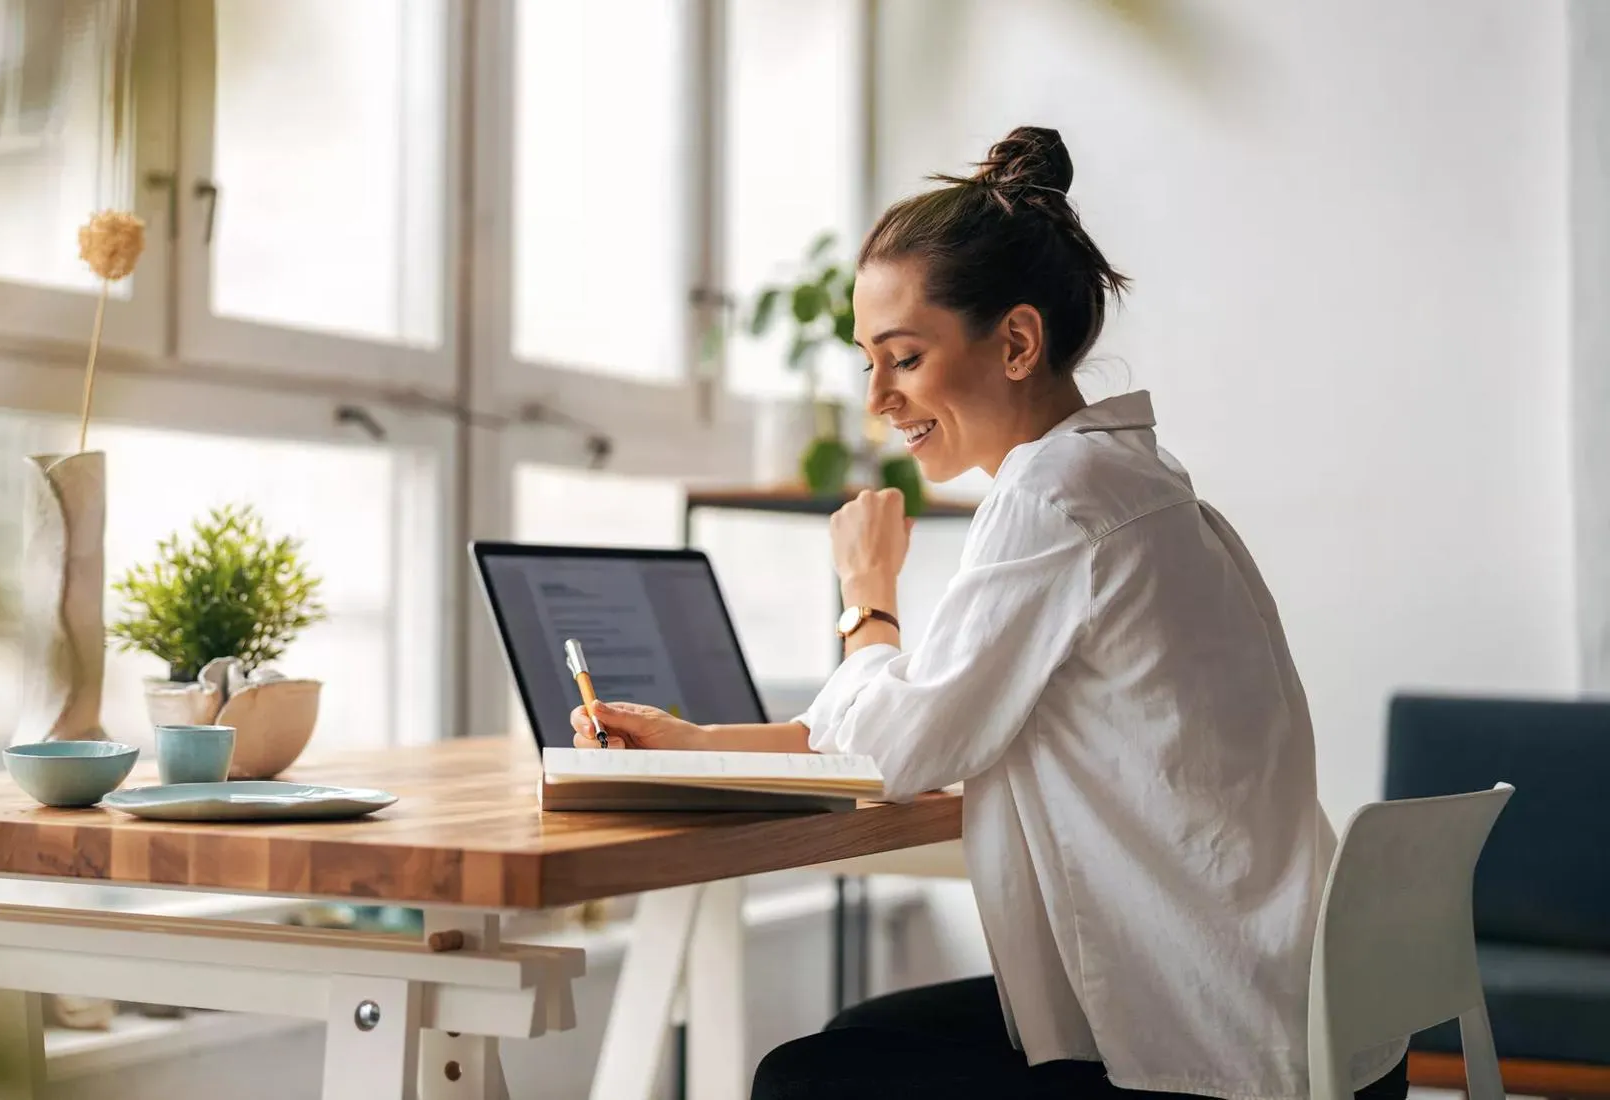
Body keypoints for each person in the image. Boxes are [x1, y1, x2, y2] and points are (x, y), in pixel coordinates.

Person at [569, 126, 1409, 1100]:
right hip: (1305, 1022)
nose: (878, 396)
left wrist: (865, 599)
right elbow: (933, 715)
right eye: (866, 361)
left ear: (1015, 341)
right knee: (849, 1042)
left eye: (904, 357)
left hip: (1215, 1050)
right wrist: (697, 739)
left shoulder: (1055, 497)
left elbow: (899, 751)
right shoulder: (1131, 480)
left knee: (810, 1077)